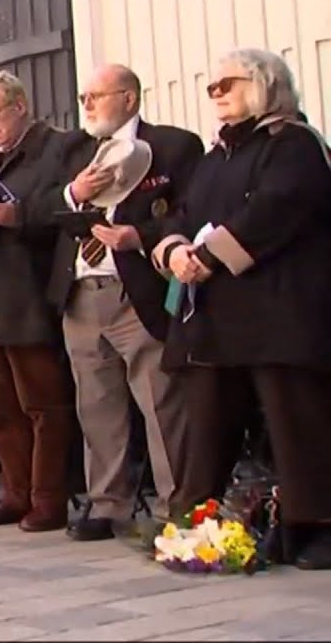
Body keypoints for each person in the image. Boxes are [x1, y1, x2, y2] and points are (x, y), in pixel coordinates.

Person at [151, 48, 331, 570]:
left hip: (280, 313)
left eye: (226, 84)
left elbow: (277, 208)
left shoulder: (295, 144)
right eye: (211, 87)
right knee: (206, 423)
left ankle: (316, 525)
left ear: (264, 83)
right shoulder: (216, 157)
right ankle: (196, 521)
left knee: (298, 424)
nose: (216, 95)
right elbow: (181, 213)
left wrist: (207, 257)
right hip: (217, 317)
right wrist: (176, 250)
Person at [30, 64, 202, 541]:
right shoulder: (71, 150)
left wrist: (140, 237)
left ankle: (179, 505)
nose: (86, 104)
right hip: (81, 293)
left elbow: (191, 212)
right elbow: (34, 208)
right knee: (96, 404)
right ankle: (109, 504)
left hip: (137, 290)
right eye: (83, 96)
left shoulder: (173, 145)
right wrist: (73, 191)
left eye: (96, 96)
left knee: (161, 401)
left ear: (129, 98)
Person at [0, 71, 75, 533]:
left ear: (20, 106)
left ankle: (48, 498)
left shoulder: (58, 149)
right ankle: (16, 492)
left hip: (28, 297)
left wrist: (19, 215)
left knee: (43, 406)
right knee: (1, 411)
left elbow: (64, 210)